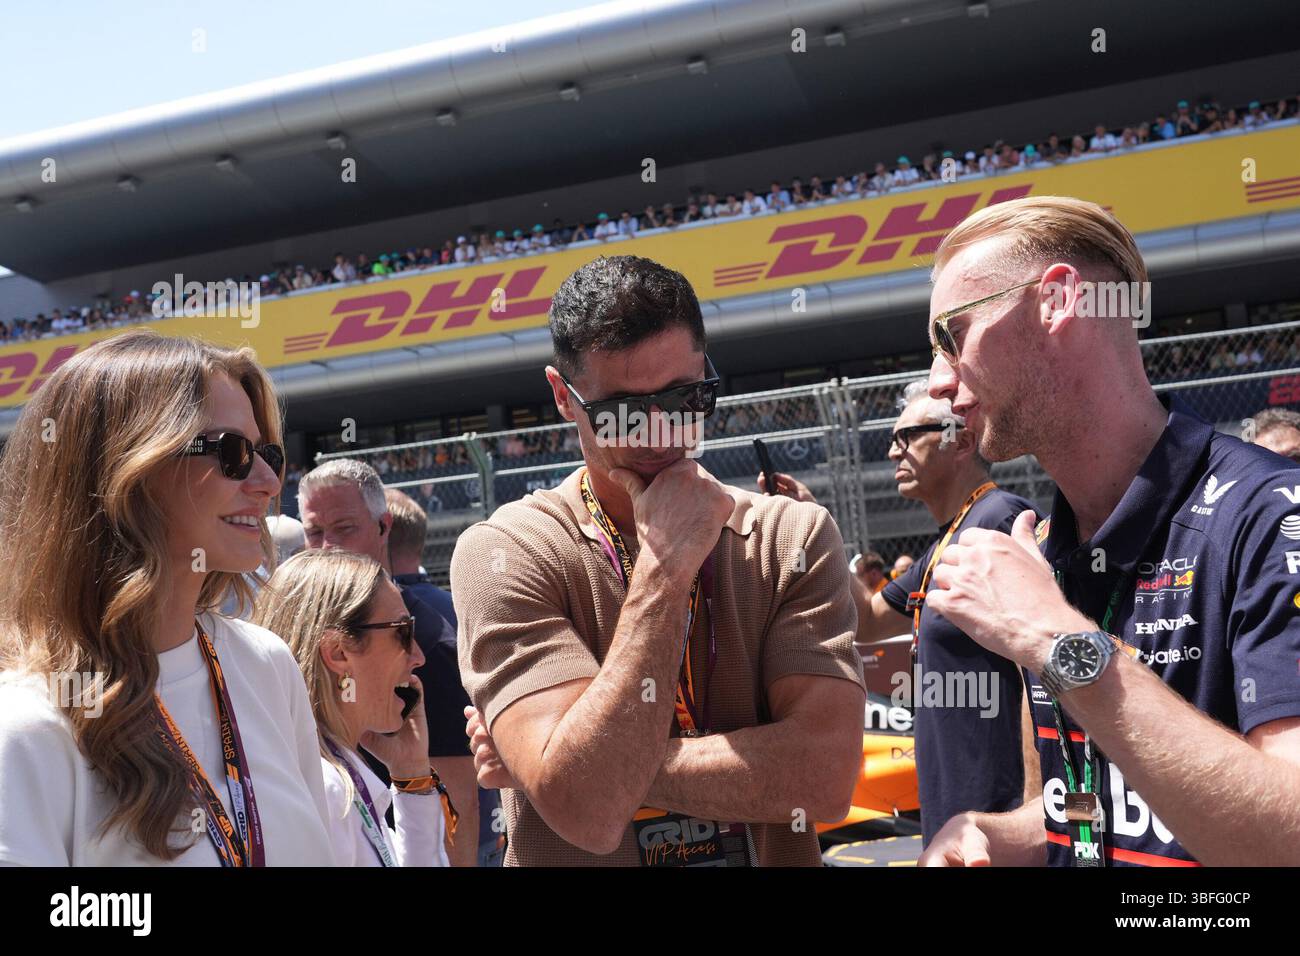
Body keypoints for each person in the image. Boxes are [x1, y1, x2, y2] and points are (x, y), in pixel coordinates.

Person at [917, 195, 1300, 867]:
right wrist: (995, 836)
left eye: (952, 334)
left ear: (1058, 301)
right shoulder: (1047, 551)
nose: (938, 381)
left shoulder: (1269, 516)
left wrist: (1057, 639)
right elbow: (1100, 801)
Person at [452, 255, 865, 866]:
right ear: (565, 398)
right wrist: (666, 565)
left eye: (685, 396)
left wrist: (568, 768)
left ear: (708, 373)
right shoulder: (507, 552)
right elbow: (589, 815)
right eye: (621, 411)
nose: (659, 432)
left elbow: (825, 779)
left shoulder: (790, 535)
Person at [0, 331, 335, 865]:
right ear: (125, 474)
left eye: (268, 452)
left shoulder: (266, 666)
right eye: (233, 452)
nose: (270, 481)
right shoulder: (27, 724)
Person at [763, 380, 1037, 845]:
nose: (892, 453)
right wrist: (816, 521)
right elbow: (868, 621)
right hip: (954, 812)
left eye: (905, 437)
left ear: (962, 441)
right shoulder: (944, 543)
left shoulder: (999, 520)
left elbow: (1039, 664)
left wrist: (1034, 813)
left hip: (998, 817)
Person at [297, 460, 479, 865]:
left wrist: (411, 775)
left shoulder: (431, 639)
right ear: (335, 652)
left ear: (384, 526)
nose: (328, 545)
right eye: (314, 532)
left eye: (344, 528)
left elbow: (459, 797)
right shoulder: (309, 784)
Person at [252, 549, 450, 866]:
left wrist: (411, 774)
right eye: (402, 632)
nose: (418, 656)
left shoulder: (327, 779)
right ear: (338, 652)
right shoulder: (326, 792)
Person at [385, 486, 505, 867]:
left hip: (454, 842)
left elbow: (456, 785)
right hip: (488, 822)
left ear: (383, 531)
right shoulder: (451, 604)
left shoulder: (425, 633)